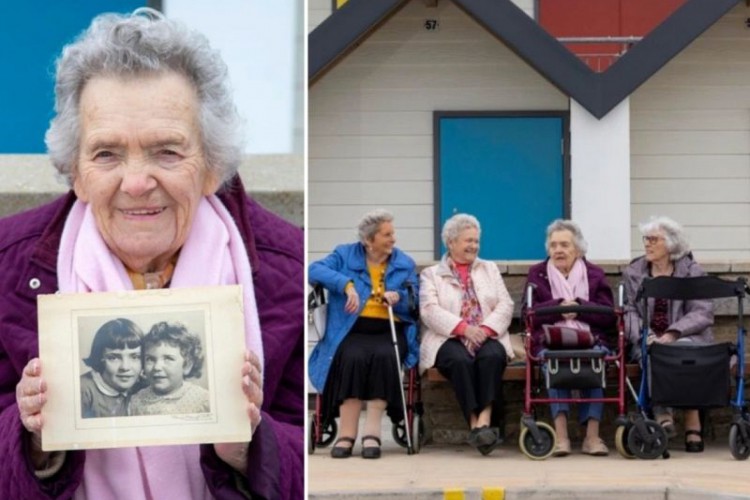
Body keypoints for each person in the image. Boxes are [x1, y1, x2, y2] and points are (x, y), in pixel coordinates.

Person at [4, 9, 303, 499]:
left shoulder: (289, 266)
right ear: (75, 171)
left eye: (167, 151)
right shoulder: (6, 264)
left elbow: (309, 458)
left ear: (211, 166)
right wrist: (33, 441)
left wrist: (251, 446)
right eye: (107, 154)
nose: (138, 183)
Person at [308, 209, 419, 459]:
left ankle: (372, 433)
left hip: (389, 328)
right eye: (387, 234)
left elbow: (416, 298)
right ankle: (347, 434)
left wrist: (398, 296)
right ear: (369, 240)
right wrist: (346, 285)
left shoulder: (404, 263)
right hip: (351, 329)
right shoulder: (344, 255)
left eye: (393, 233)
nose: (394, 239)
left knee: (384, 357)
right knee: (351, 358)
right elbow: (314, 270)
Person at [419, 214, 514, 455]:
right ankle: (475, 424)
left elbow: (506, 304)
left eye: (476, 241)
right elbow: (429, 310)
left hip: (487, 334)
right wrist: (463, 328)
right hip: (447, 337)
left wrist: (484, 329)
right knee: (459, 361)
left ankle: (483, 420)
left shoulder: (489, 268)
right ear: (450, 242)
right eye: (467, 240)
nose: (473, 246)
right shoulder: (431, 274)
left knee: (491, 358)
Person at [522, 219, 615, 457]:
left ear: (578, 249)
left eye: (564, 244)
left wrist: (581, 307)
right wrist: (558, 308)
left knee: (595, 362)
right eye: (553, 245)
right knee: (555, 362)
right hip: (549, 340)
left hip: (591, 339)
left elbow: (609, 317)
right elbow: (527, 315)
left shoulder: (595, 274)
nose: (558, 250)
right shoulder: (537, 273)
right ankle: (561, 437)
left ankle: (592, 438)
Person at [623, 216, 712, 453]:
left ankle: (692, 421)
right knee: (656, 352)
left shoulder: (691, 271)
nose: (647, 244)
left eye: (654, 240)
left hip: (686, 336)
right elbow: (629, 312)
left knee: (685, 352)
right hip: (649, 339)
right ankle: (664, 416)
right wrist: (645, 336)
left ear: (671, 244)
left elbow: (702, 311)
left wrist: (673, 333)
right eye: (646, 239)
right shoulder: (635, 272)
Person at [129, 322, 210, 416]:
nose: (157, 367)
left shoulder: (202, 400)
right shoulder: (136, 401)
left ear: (187, 365)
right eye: (150, 359)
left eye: (168, 358)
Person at [80, 318, 144, 418]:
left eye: (135, 357)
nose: (125, 367)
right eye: (113, 358)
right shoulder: (83, 389)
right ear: (99, 357)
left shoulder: (145, 386)